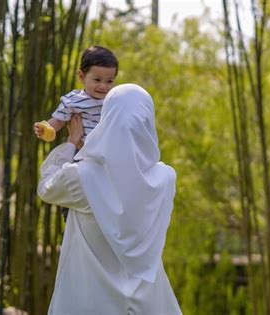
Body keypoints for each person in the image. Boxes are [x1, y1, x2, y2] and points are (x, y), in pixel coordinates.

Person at [37, 84, 182, 314]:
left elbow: (46, 187)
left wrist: (72, 143)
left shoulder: (83, 177)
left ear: (106, 119)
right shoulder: (165, 179)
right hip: (150, 304)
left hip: (89, 301)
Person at [34, 45, 118, 142]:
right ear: (82, 77)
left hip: (107, 150)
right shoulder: (73, 100)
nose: (103, 86)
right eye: (97, 80)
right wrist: (45, 128)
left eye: (109, 81)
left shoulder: (114, 100)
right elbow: (59, 120)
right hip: (81, 151)